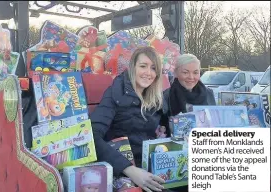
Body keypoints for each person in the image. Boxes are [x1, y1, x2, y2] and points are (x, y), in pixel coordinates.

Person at [90, 46, 169, 192]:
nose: (148, 73)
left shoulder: (155, 98)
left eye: (153, 68)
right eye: (143, 66)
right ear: (133, 67)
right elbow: (92, 136)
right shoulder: (116, 93)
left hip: (149, 167)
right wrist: (129, 169)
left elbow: (168, 126)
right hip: (121, 171)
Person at [162, 54, 216, 192]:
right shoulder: (165, 96)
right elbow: (159, 129)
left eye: (195, 72)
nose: (191, 77)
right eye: (185, 72)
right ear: (176, 72)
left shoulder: (209, 94)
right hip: (177, 159)